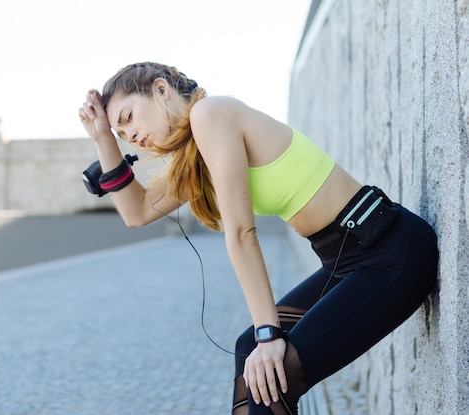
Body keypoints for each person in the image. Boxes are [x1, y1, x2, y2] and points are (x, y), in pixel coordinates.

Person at [78, 62, 439, 415]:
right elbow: (137, 212)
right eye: (123, 135)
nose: (132, 136)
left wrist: (270, 334)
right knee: (247, 348)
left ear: (160, 89)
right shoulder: (199, 155)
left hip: (389, 250)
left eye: (128, 118)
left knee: (274, 374)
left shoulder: (210, 114)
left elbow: (242, 232)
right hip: (347, 261)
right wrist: (103, 138)